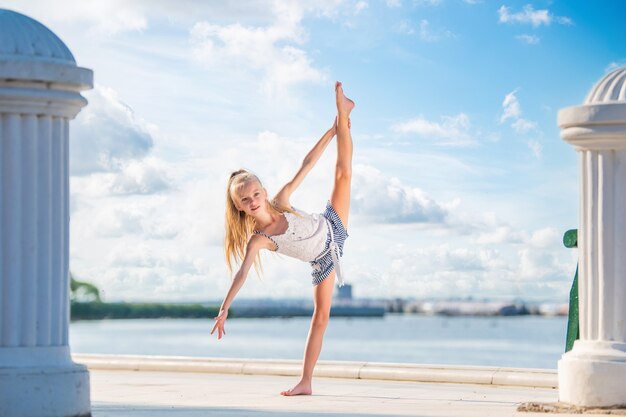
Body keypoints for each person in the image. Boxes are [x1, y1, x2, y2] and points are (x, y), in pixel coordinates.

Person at [211, 81, 355, 396]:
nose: (253, 201)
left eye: (256, 193)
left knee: (343, 173)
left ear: (263, 191)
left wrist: (332, 132)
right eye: (246, 200)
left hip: (330, 226)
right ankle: (306, 381)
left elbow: (306, 165)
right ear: (240, 208)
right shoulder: (259, 239)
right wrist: (225, 308)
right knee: (321, 318)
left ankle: (343, 114)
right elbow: (242, 273)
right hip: (323, 259)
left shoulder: (280, 200)